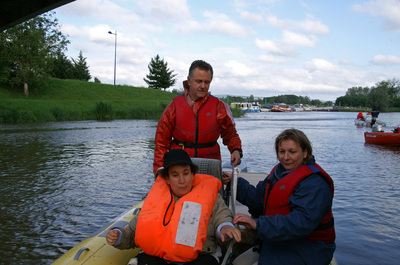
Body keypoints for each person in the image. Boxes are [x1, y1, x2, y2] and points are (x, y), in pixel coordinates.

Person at [106, 149, 241, 265]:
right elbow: (132, 232)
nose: (182, 181)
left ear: (193, 174)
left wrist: (225, 227)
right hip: (159, 258)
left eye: (186, 173)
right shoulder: (154, 200)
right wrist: (119, 236)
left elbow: (222, 217)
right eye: (175, 175)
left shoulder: (211, 197)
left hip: (201, 256)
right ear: (167, 179)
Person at [225, 128, 335, 265]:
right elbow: (260, 199)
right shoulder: (279, 172)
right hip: (277, 236)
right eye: (281, 152)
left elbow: (301, 222)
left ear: (305, 152)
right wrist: (236, 184)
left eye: (292, 152)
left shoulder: (315, 183)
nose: (286, 157)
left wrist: (258, 224)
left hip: (307, 246)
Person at [153, 60, 243, 175]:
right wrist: (159, 171)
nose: (203, 86)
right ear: (189, 80)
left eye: (207, 82)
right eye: (199, 81)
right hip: (180, 164)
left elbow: (231, 135)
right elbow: (161, 143)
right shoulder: (173, 107)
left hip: (210, 164)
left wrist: (236, 149)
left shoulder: (219, 107)